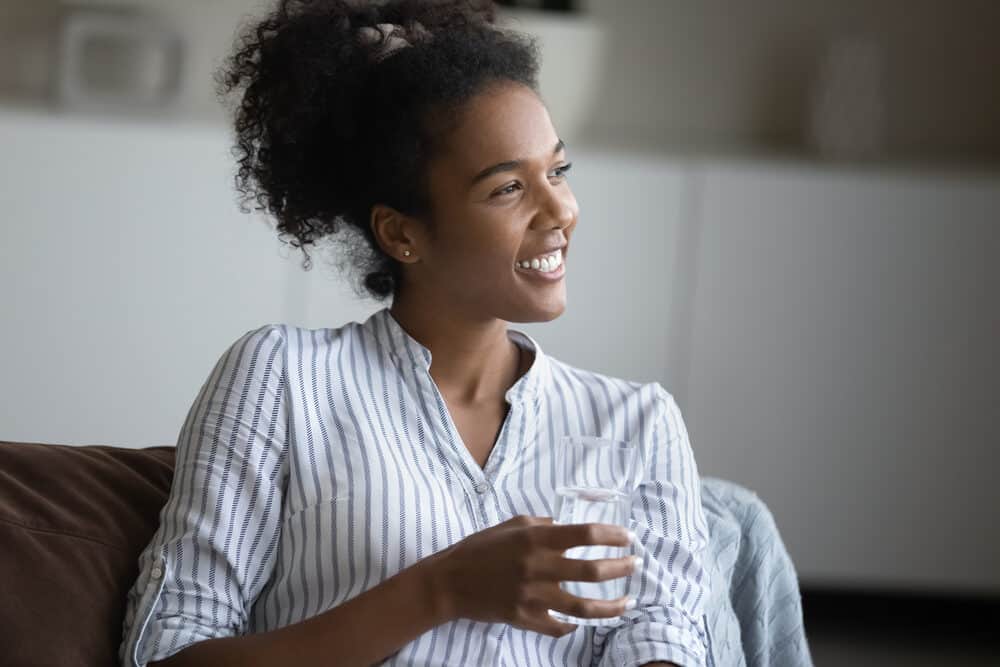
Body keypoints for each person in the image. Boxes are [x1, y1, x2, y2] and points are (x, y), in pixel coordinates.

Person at [118, 1, 716, 665]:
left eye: (558, 171)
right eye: (508, 188)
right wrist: (441, 588)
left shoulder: (638, 423)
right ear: (401, 232)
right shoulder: (283, 378)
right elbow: (167, 652)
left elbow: (668, 640)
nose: (560, 210)